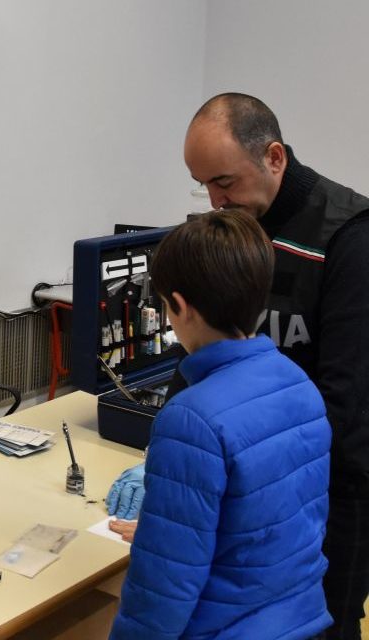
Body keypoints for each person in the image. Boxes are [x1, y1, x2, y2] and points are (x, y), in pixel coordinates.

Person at [109, 93, 369, 638]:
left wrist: (230, 493)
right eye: (202, 184)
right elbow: (203, 356)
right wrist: (171, 471)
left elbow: (345, 408)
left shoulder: (349, 240)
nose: (215, 200)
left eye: (224, 182)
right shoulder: (233, 226)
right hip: (254, 494)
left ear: (274, 158)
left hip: (332, 496)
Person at [109, 209, 332, 639]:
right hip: (303, 621)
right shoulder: (299, 384)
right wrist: (168, 528)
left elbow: (163, 590)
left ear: (178, 306)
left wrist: (166, 547)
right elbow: (277, 524)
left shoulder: (191, 419)